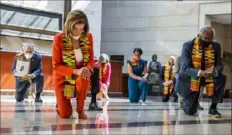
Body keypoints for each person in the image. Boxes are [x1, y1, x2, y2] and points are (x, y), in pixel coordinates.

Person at [176, 26, 226, 118]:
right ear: (200, 35)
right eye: (205, 39)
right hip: (193, 77)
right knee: (190, 110)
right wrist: (201, 72)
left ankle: (213, 108)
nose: (207, 41)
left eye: (210, 40)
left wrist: (214, 71)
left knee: (222, 76)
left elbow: (219, 64)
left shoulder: (216, 46)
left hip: (209, 76)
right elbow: (185, 67)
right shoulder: (188, 45)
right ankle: (185, 101)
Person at [52, 10, 94, 119]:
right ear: (69, 26)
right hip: (64, 77)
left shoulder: (88, 37)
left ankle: (80, 109)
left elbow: (91, 60)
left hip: (81, 74)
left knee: (85, 76)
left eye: (81, 29)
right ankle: (60, 103)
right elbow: (56, 65)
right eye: (75, 28)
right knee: (65, 114)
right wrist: (75, 71)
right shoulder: (59, 38)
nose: (78, 32)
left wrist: (87, 69)